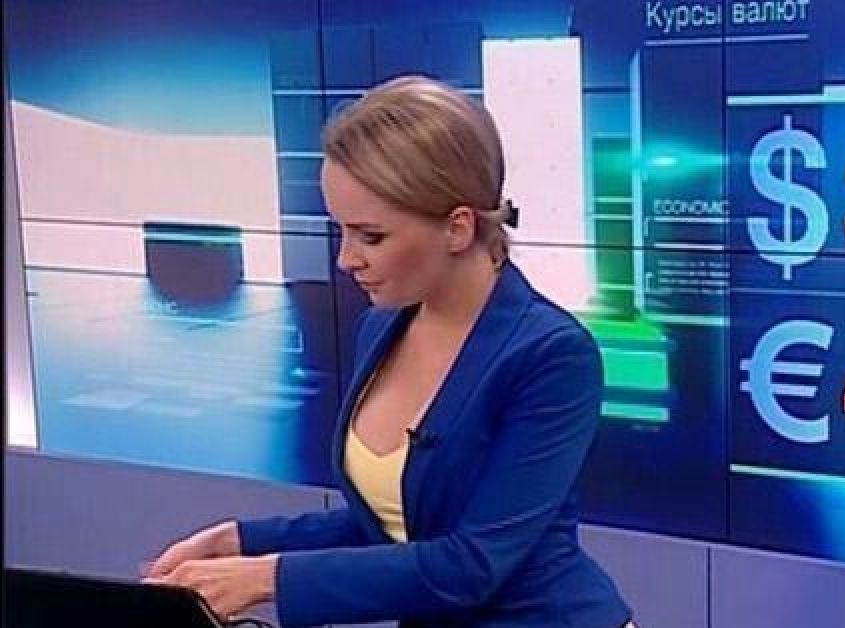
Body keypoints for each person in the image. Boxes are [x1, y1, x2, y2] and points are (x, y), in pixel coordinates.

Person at [144, 75, 634, 628]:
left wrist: (265, 579)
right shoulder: (379, 328)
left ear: (457, 228)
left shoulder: (552, 356)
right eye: (341, 231)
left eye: (371, 236)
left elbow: (471, 566)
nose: (346, 259)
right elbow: (395, 524)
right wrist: (238, 542)